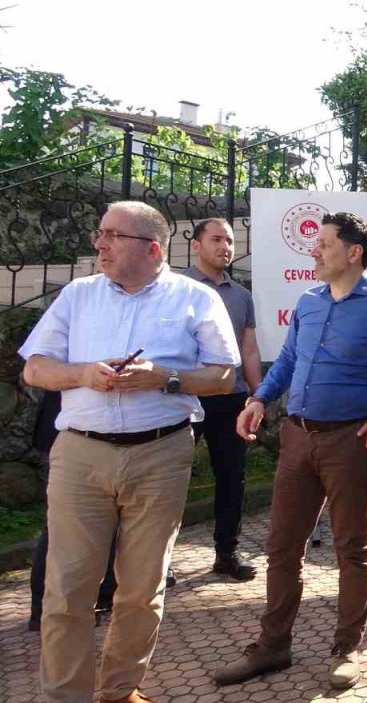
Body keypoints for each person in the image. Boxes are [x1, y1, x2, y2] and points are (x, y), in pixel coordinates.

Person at [19, 200, 239, 703]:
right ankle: (65, 696)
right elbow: (35, 368)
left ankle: (119, 690)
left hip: (160, 455)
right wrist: (82, 373)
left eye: (113, 236)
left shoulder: (195, 298)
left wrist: (165, 378)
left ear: (153, 247)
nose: (100, 244)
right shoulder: (78, 295)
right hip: (79, 454)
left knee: (141, 589)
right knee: (67, 589)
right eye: (101, 234)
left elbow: (224, 376)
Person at [214, 212, 367, 690]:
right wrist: (259, 399)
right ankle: (273, 646)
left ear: (353, 253)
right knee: (281, 547)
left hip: (352, 441)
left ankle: (347, 650)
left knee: (351, 549)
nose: (315, 251)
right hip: (298, 437)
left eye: (324, 244)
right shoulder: (308, 301)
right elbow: (286, 361)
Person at [182, 217, 263, 581]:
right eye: (216, 239)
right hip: (183, 397)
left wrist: (258, 394)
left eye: (229, 241)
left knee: (232, 477)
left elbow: (248, 347)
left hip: (230, 398)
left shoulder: (241, 295)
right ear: (196, 244)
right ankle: (158, 561)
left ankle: (226, 553)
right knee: (170, 480)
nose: (225, 247)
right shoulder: (175, 288)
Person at [28, 391, 119, 633]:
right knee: (62, 529)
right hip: (72, 431)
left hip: (91, 431)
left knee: (105, 519)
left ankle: (104, 595)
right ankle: (42, 609)